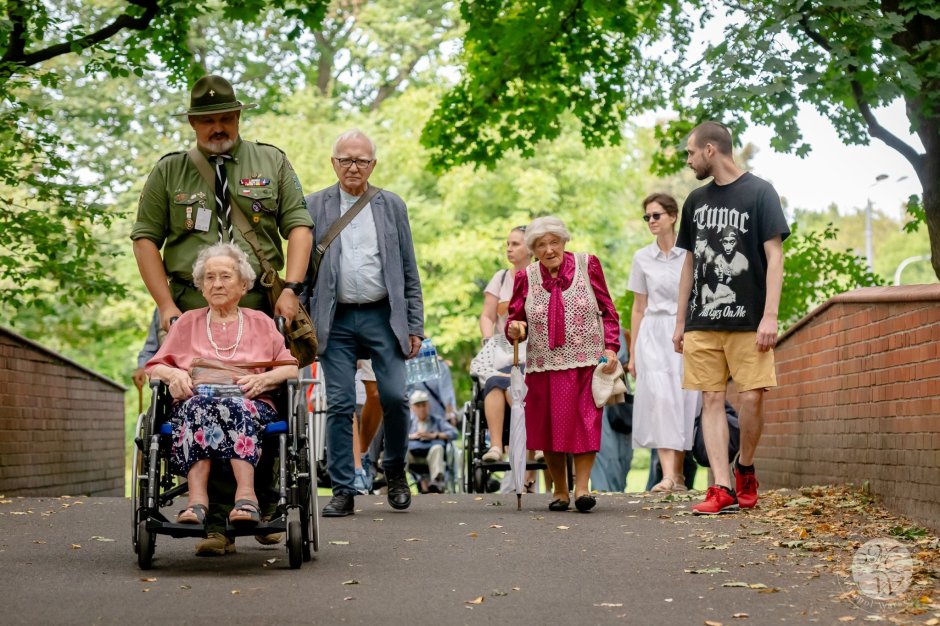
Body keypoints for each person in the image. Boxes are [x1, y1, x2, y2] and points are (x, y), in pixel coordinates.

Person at [131, 74, 312, 555]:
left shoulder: (270, 161)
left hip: (258, 303)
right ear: (193, 123)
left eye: (225, 117)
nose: (217, 126)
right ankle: (213, 523)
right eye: (207, 120)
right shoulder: (170, 171)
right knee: (198, 397)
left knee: (257, 394)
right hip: (191, 304)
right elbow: (145, 238)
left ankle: (266, 505)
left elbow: (298, 224)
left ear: (238, 116)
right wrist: (165, 305)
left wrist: (291, 288)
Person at [306, 129, 424, 518]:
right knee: (340, 403)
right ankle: (343, 487)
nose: (352, 167)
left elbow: (408, 268)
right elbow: (304, 270)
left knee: (394, 396)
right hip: (334, 318)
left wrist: (415, 324)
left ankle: (393, 472)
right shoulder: (312, 206)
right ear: (333, 162)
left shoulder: (391, 206)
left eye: (361, 160)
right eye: (345, 160)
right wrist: (302, 321)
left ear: (373, 164)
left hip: (382, 314)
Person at [673, 121, 789, 515]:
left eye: (690, 153)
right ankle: (721, 488)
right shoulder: (695, 201)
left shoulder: (760, 192)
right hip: (703, 320)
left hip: (749, 320)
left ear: (710, 150)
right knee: (711, 399)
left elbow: (775, 257)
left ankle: (745, 467)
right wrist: (679, 322)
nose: (688, 160)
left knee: (753, 399)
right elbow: (689, 264)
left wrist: (770, 315)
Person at [144, 244, 298, 538]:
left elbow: (290, 368)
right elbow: (154, 366)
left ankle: (246, 497)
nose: (216, 284)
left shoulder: (261, 323)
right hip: (197, 401)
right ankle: (197, 502)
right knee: (198, 406)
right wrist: (174, 373)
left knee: (235, 406)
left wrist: (265, 381)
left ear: (243, 285)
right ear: (201, 286)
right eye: (209, 277)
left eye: (226, 276)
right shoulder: (187, 323)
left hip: (249, 400)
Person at [506, 216, 621, 513]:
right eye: (541, 245)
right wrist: (516, 329)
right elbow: (516, 318)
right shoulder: (526, 277)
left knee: (586, 422)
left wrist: (610, 348)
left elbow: (608, 311)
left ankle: (582, 488)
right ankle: (559, 489)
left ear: (564, 242)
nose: (548, 250)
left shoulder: (587, 265)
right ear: (533, 250)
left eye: (553, 242)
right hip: (543, 365)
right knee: (549, 427)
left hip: (586, 361)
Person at [628, 193, 701, 493]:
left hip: (686, 332)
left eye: (656, 215)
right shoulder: (641, 257)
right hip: (653, 335)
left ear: (672, 216)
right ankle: (668, 475)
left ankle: (680, 476)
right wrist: (632, 354)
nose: (651, 221)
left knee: (682, 402)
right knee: (659, 401)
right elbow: (637, 307)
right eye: (647, 217)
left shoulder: (691, 254)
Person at [479, 226, 531, 463]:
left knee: (515, 384)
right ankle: (497, 446)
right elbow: (488, 315)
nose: (509, 249)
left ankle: (528, 445)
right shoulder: (501, 278)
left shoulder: (541, 278)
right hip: (503, 349)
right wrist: (488, 339)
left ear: (530, 248)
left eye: (515, 244)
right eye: (508, 244)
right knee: (494, 382)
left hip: (532, 352)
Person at [589, 328, 633, 493]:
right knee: (605, 450)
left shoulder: (620, 331)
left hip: (619, 391)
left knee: (625, 453)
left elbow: (626, 360)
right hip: (598, 388)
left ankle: (618, 491)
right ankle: (602, 491)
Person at [406, 390, 457, 493]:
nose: (421, 409)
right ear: (412, 408)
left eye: (424, 405)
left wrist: (434, 435)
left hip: (432, 454)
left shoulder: (437, 421)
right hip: (413, 456)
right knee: (400, 450)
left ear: (428, 405)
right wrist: (412, 436)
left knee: (437, 448)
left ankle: (437, 481)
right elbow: (398, 436)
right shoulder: (409, 423)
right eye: (418, 406)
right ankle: (398, 481)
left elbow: (454, 433)